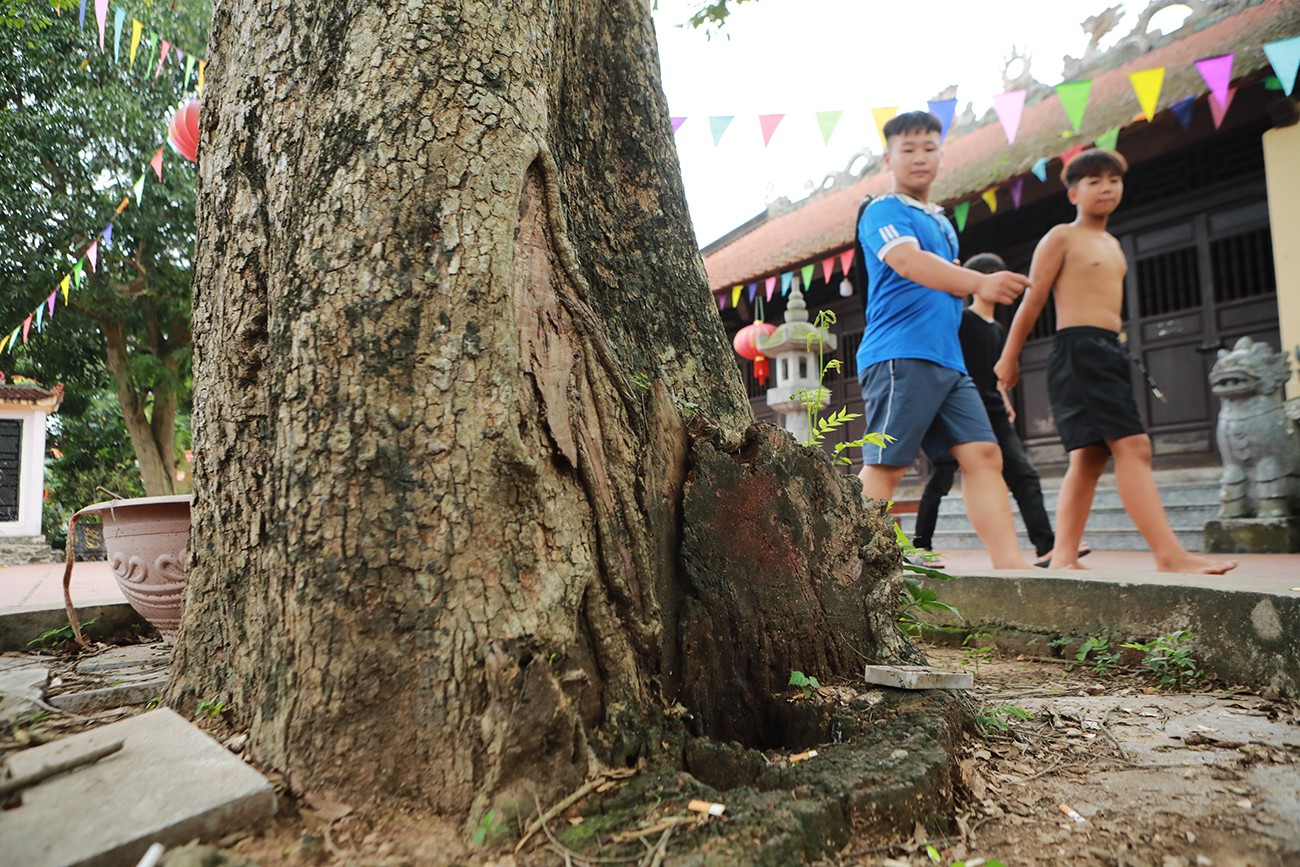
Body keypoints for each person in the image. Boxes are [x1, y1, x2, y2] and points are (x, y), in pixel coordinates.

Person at [994, 148, 1236, 575]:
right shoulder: (1061, 237)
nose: (1106, 187)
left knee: (1088, 456)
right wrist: (1009, 357)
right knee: (1135, 446)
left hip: (1109, 347)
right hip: (1078, 349)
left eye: (1113, 179)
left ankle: (1064, 557)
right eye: (1093, 181)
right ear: (1072, 194)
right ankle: (1168, 554)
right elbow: (1033, 300)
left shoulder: (1114, 244)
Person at [855, 110, 1031, 570]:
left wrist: (974, 285)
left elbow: (950, 285)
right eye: (907, 149)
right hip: (899, 354)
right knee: (888, 464)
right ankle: (848, 570)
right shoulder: (882, 211)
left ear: (941, 154)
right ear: (888, 157)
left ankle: (1011, 567)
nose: (919, 158)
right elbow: (910, 264)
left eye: (929, 148)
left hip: (949, 362)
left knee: (985, 454)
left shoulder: (943, 222)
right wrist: (981, 282)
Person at [911, 253, 1088, 569]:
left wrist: (1005, 401)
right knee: (940, 479)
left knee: (1023, 473)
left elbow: (995, 373)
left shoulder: (998, 328)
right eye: (994, 276)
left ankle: (1046, 546)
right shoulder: (963, 321)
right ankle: (922, 547)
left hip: (992, 407)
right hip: (960, 407)